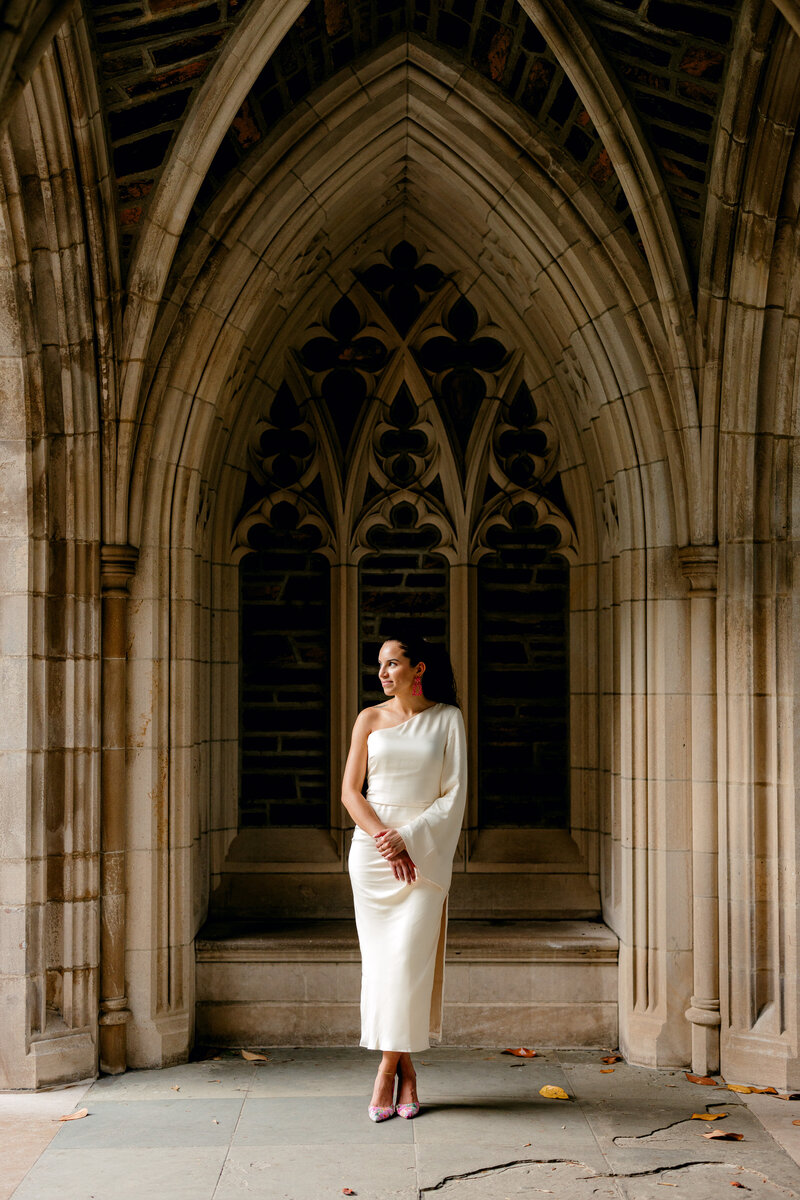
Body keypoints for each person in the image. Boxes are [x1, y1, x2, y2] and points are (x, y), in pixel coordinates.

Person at [341, 629, 467, 1122]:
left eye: (392, 663)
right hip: (373, 857)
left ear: (419, 668)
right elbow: (351, 793)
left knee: (408, 964)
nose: (382, 673)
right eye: (379, 665)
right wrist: (383, 839)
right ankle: (408, 1071)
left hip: (424, 854)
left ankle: (385, 1072)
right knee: (384, 967)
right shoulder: (369, 719)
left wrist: (407, 837)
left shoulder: (448, 720)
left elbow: (454, 795)